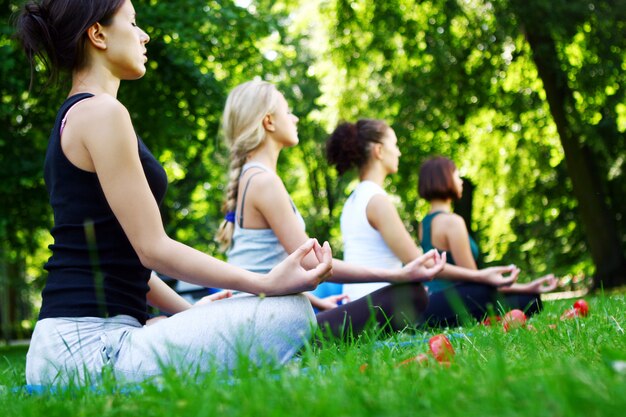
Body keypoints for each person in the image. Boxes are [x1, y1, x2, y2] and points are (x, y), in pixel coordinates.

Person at [16, 0, 332, 386]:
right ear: (97, 34)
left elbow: (128, 261)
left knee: (249, 311)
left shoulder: (80, 115)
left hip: (70, 347)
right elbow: (153, 249)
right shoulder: (103, 114)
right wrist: (265, 283)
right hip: (91, 350)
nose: (143, 35)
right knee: (292, 310)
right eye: (132, 24)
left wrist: (191, 313)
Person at [215, 80, 446, 338]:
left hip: (261, 321)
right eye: (288, 111)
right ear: (269, 122)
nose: (295, 118)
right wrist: (399, 274)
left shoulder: (254, 178)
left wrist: (315, 302)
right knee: (410, 294)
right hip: (267, 330)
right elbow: (317, 265)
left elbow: (267, 269)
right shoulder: (264, 182)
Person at [325, 119, 557, 327]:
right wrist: (482, 276)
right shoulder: (377, 201)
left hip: (367, 303)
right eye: (394, 144)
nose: (399, 152)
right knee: (487, 292)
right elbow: (421, 264)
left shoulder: (353, 200)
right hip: (386, 307)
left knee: (497, 294)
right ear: (378, 151)